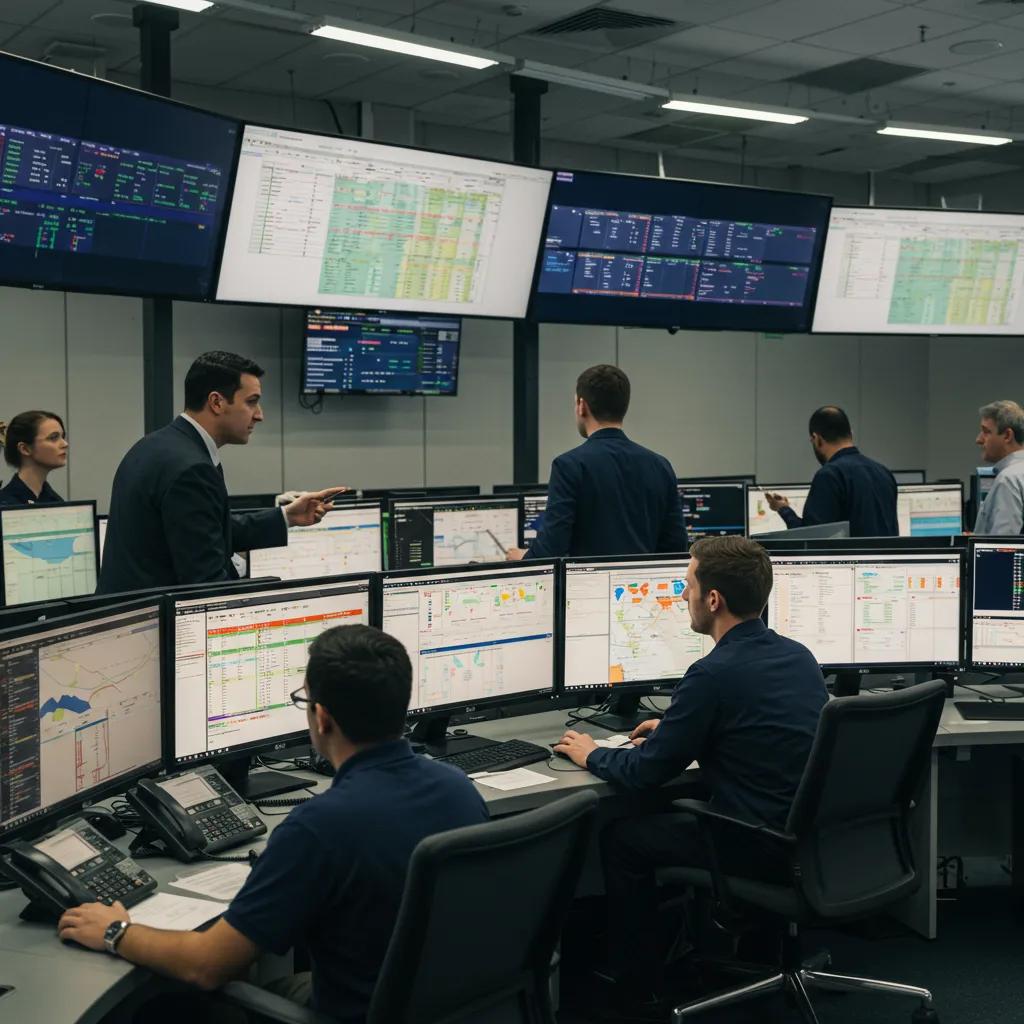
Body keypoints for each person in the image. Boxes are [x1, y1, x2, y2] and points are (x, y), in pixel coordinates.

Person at [56, 624, 488, 1023]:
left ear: (321, 717)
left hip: (361, 1012)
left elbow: (206, 965)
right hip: (452, 1005)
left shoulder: (318, 827)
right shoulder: (457, 787)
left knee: (170, 1009)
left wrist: (115, 931)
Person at [554, 536, 827, 1006]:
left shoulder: (711, 674)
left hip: (757, 843)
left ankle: (637, 989)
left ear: (713, 599)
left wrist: (590, 753)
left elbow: (645, 772)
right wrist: (683, 725)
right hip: (815, 839)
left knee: (622, 840)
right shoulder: (798, 656)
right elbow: (755, 726)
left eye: (687, 586)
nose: (683, 597)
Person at [100, 351, 345, 593]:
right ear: (216, 402)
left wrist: (287, 517)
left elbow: (205, 532)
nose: (259, 415)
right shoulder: (191, 468)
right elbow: (207, 585)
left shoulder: (158, 445)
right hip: (153, 623)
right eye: (251, 401)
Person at [506, 365, 687, 560]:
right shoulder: (660, 465)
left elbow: (551, 549)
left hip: (586, 588)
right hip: (642, 589)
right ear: (624, 406)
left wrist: (521, 558)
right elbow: (676, 546)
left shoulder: (569, 466)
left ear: (582, 406)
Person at [764, 405, 897, 537]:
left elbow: (811, 539)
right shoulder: (884, 473)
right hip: (887, 558)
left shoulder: (829, 476)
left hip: (851, 559)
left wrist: (783, 510)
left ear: (817, 439)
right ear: (851, 433)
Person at [973, 399, 1024, 536]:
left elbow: (1001, 549)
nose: (978, 439)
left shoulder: (1008, 480)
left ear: (1007, 435)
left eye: (986, 431)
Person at [0, 410, 68, 505]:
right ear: (25, 449)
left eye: (62, 437)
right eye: (53, 437)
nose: (65, 444)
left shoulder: (56, 501)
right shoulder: (5, 504)